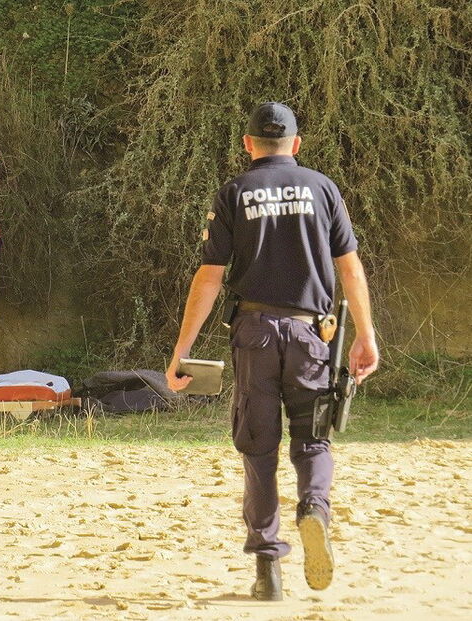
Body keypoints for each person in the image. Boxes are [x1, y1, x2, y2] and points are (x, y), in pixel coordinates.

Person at [164, 102, 379, 601]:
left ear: (248, 144)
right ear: (296, 146)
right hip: (311, 334)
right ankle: (314, 511)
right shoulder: (323, 188)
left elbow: (210, 276)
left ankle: (267, 571)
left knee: (258, 449)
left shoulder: (235, 192)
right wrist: (366, 335)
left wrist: (183, 348)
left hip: (255, 333)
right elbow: (350, 269)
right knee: (314, 439)